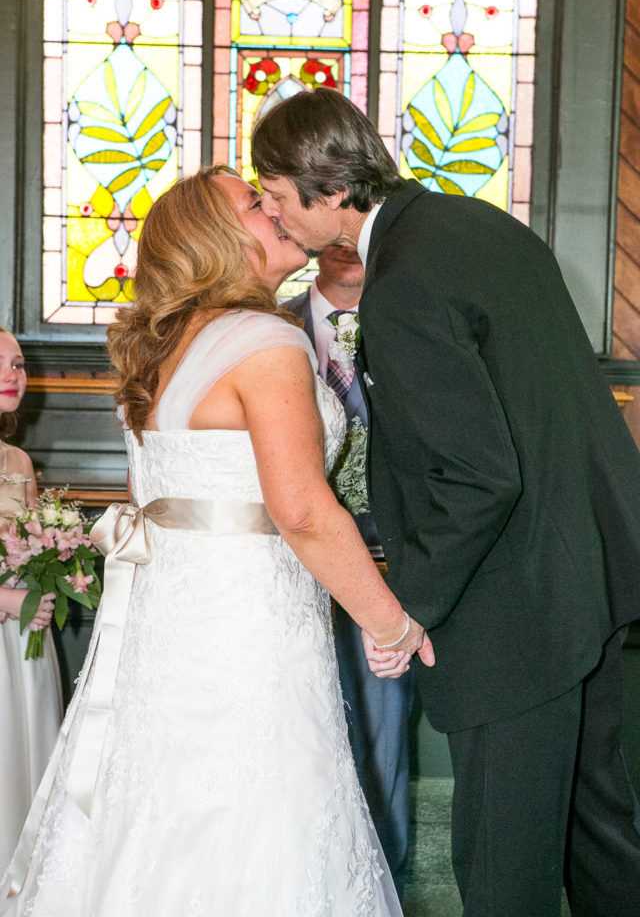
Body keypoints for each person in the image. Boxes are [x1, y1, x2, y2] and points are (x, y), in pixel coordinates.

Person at [0, 166, 434, 917]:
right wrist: (388, 620)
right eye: (253, 203)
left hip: (170, 621)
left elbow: (154, 499)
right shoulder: (266, 340)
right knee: (258, 803)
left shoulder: (165, 348)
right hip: (250, 623)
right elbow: (300, 508)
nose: (274, 209)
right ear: (215, 237)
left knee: (165, 802)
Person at [251, 87, 640, 917]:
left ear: (328, 186)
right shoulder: (476, 225)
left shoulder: (406, 286)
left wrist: (408, 609)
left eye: (280, 197)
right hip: (592, 576)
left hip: (517, 607)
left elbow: (474, 476)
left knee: (505, 863)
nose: (278, 219)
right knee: (599, 830)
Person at [285, 245, 415, 895]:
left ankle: (384, 874)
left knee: (384, 718)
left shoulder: (414, 323)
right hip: (288, 563)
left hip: (392, 557)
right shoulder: (274, 328)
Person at [0, 327, 63, 874]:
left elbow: (36, 545)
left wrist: (47, 581)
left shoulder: (17, 462)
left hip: (23, 634)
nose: (11, 375)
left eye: (18, 365)